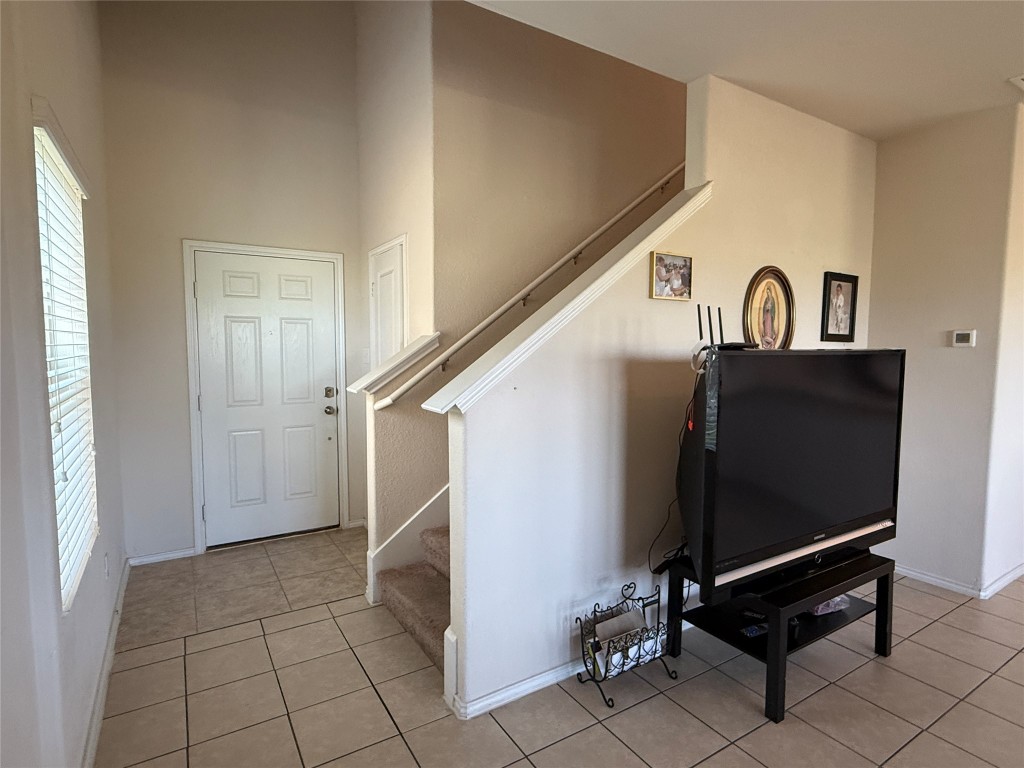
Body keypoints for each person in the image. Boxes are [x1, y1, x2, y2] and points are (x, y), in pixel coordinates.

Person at [760, 284, 777, 349]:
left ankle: (769, 338)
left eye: (768, 292)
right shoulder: (766, 300)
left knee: (769, 327)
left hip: (770, 316)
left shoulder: (772, 299)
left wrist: (770, 309)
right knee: (766, 327)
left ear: (770, 292)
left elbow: (773, 309)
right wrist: (766, 309)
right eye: (767, 292)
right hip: (766, 315)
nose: (767, 293)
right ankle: (767, 338)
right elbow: (764, 308)